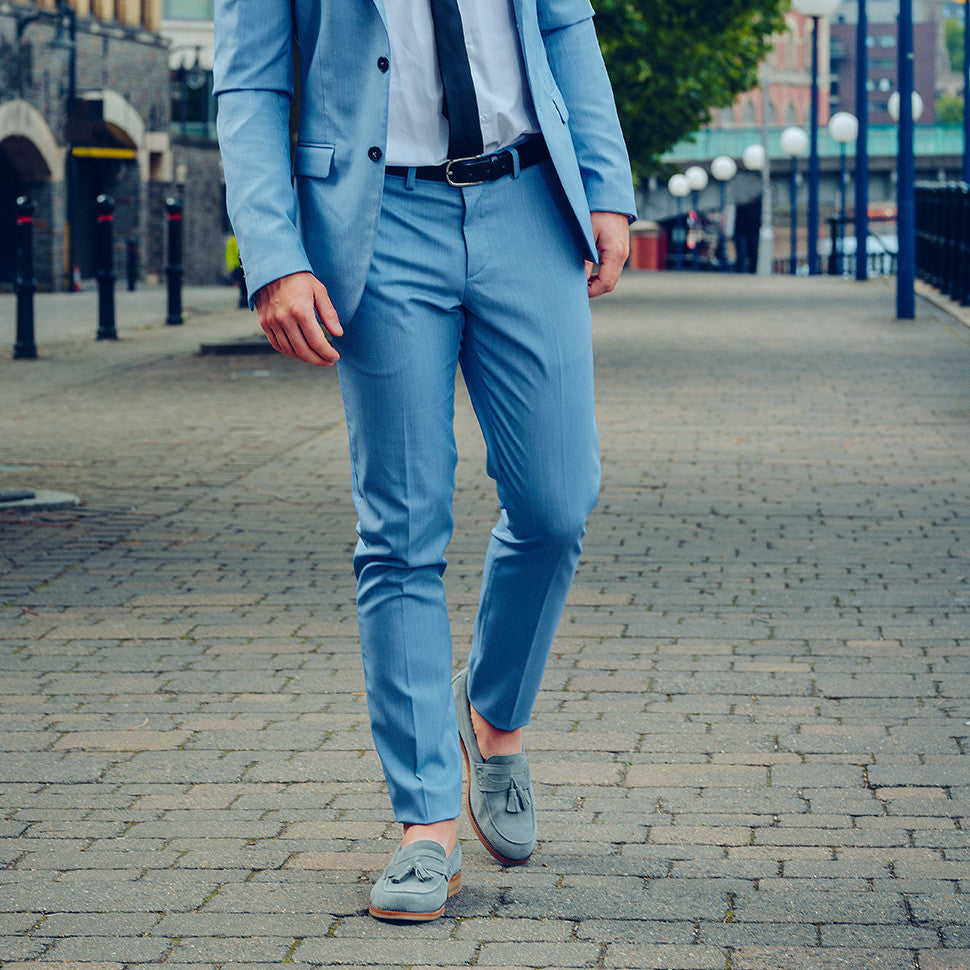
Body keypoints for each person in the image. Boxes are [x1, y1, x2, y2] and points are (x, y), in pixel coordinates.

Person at [213, 0, 636, 922]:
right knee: (400, 528)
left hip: (528, 200)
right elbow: (249, 82)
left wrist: (606, 185)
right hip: (376, 217)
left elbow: (565, 27)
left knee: (559, 502)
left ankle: (495, 718)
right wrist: (274, 257)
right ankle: (426, 826)